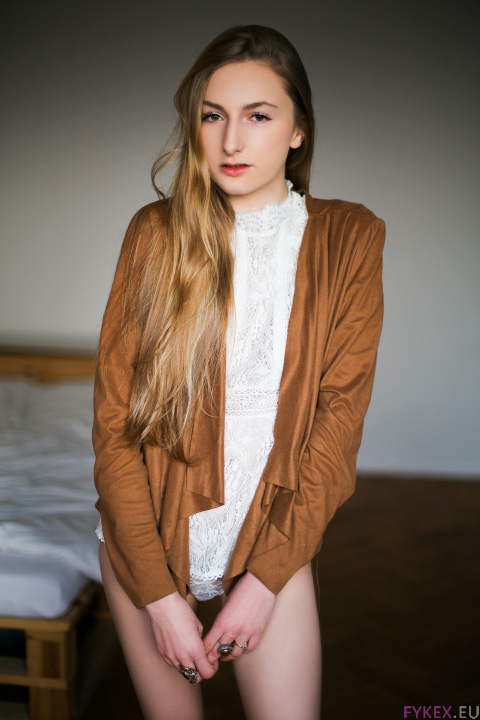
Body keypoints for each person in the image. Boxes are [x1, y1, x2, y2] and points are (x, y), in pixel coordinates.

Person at [93, 24, 385, 720]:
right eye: (212, 116)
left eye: (258, 116)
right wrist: (158, 597)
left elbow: (336, 426)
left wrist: (265, 581)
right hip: (146, 546)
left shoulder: (349, 236)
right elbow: (115, 427)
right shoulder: (154, 233)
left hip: (272, 542)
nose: (231, 141)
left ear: (298, 130)